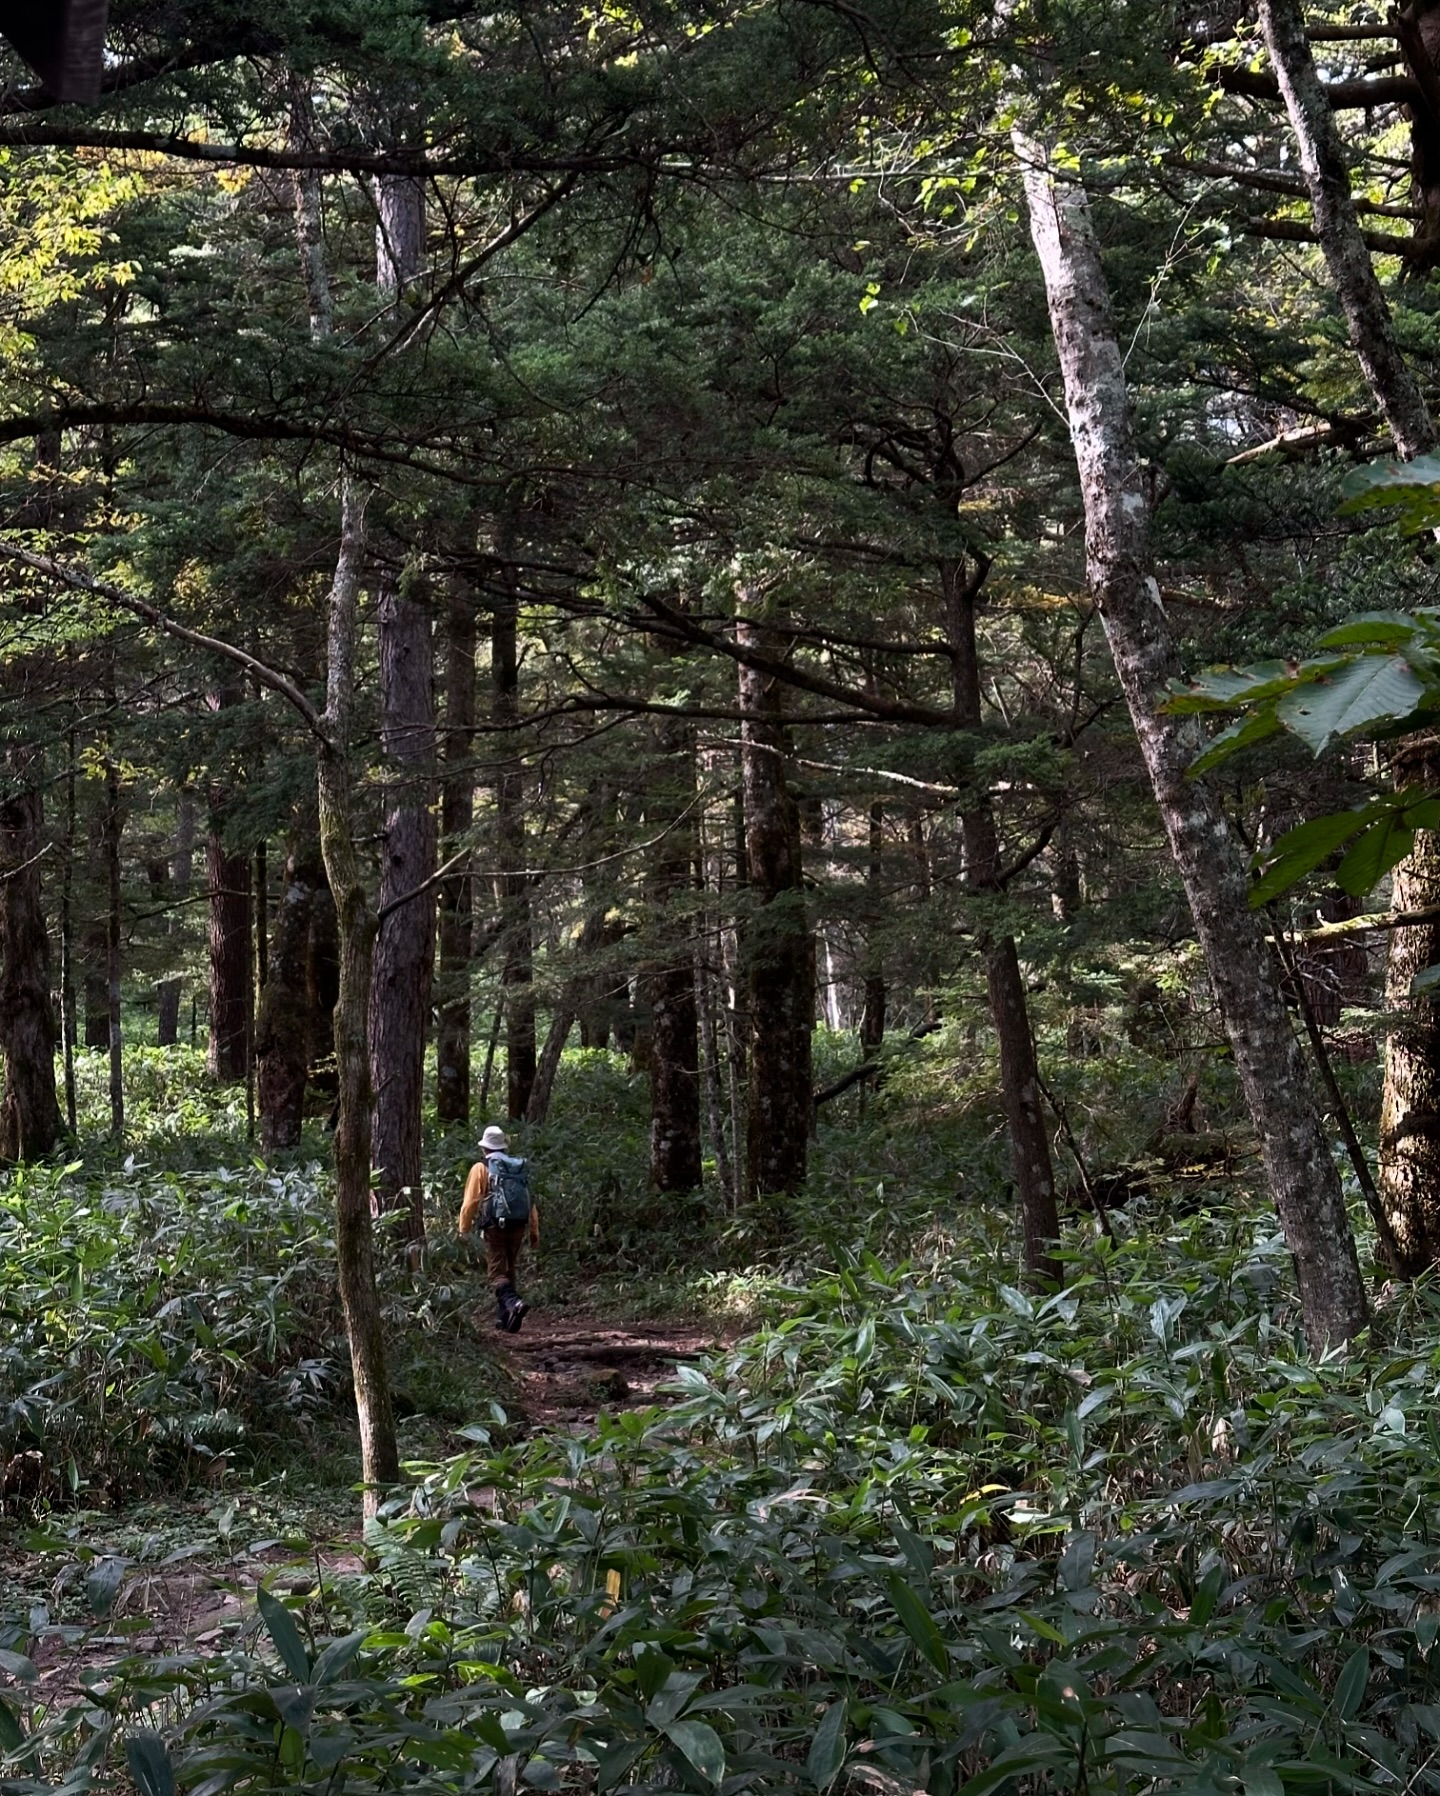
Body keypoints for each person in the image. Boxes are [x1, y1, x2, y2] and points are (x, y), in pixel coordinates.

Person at [459, 1124, 539, 1333]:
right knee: (509, 1269)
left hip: (495, 1226)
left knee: (495, 1274)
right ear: (503, 1147)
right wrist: (533, 1231)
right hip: (518, 1225)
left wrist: (463, 1229)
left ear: (484, 1148)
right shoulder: (517, 1167)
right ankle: (507, 1321)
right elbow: (530, 1201)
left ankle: (514, 1304)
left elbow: (470, 1203)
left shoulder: (481, 1168)